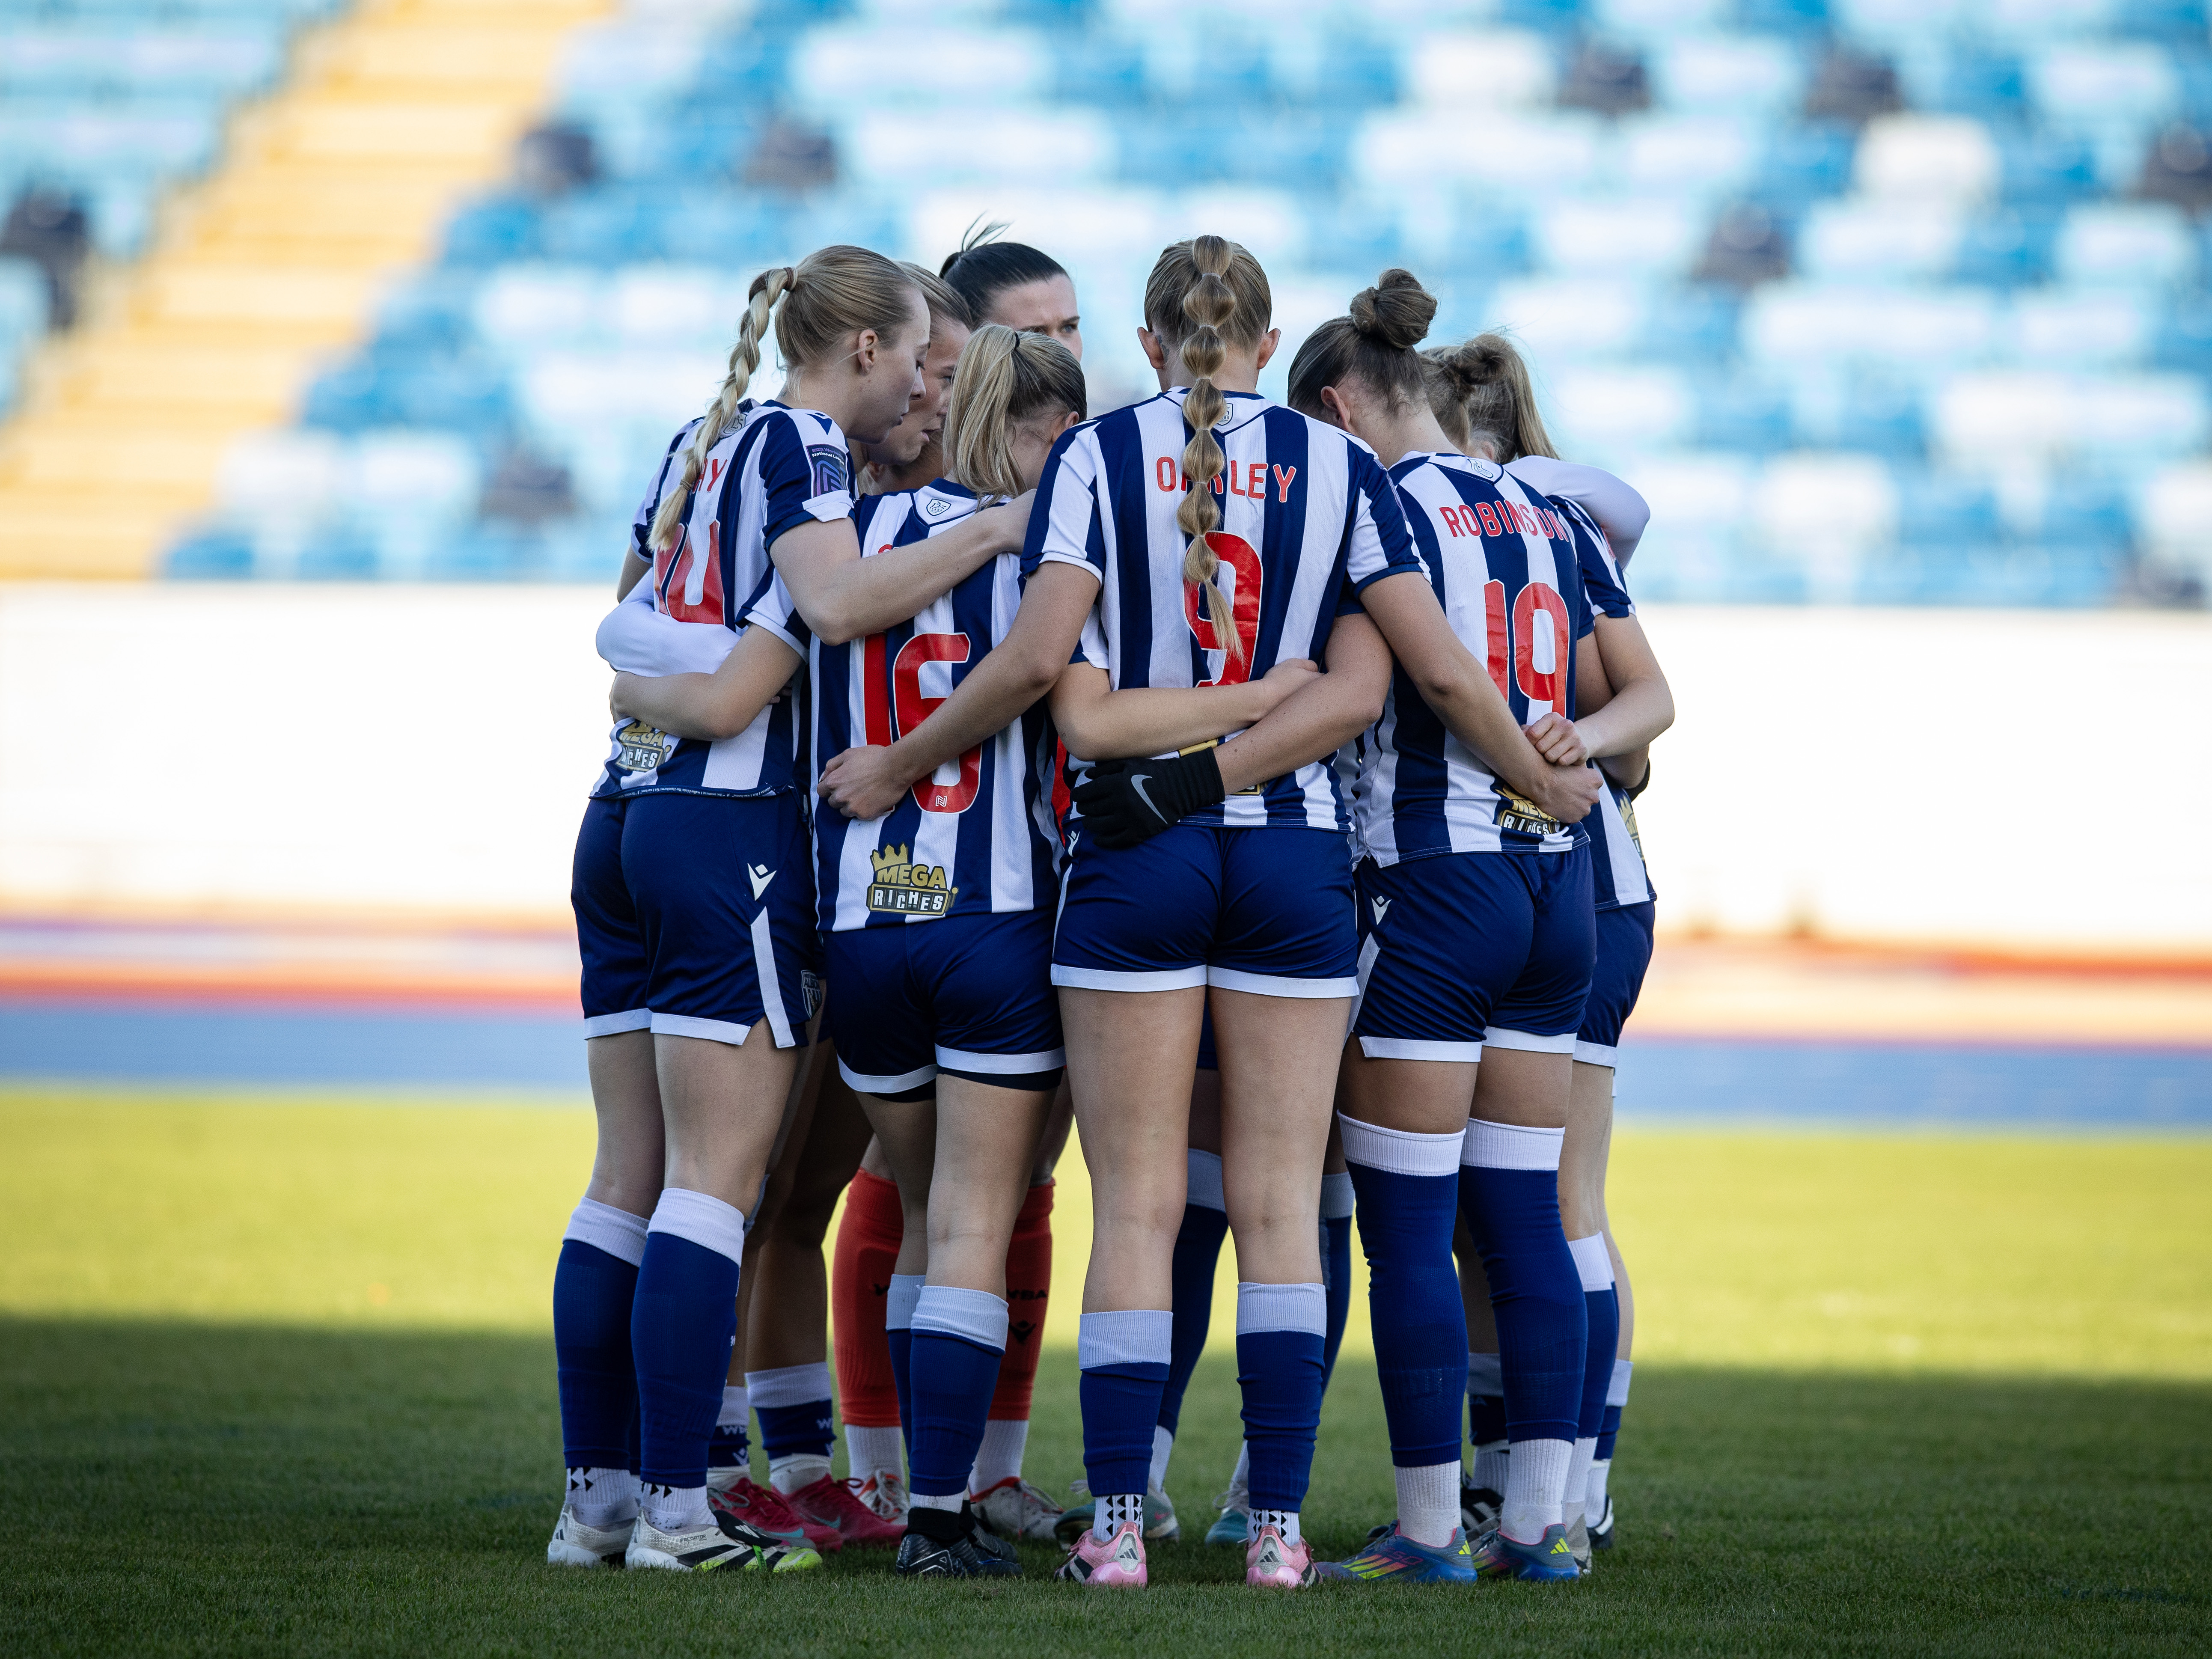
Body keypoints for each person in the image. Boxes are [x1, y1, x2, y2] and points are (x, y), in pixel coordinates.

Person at [816, 234, 1542, 1591]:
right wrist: (1538, 770)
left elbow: (1073, 705)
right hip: (1293, 862)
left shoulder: (1092, 458)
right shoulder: (1343, 469)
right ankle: (1275, 1529)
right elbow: (1408, 680)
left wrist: (1178, 741)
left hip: (1131, 861)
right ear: (1269, 347)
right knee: (1279, 1208)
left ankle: (1112, 1527)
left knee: (1136, 1205)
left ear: (1147, 345)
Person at [547, 245, 1027, 1574]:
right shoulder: (803, 447)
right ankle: (678, 1511)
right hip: (727, 833)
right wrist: (995, 525)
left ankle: (592, 1503)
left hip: (626, 815)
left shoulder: (688, 445)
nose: (931, 386)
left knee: (625, 1182)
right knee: (719, 1185)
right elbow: (828, 604)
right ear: (863, 350)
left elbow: (631, 635)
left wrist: (655, 685)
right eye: (923, 357)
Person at [1277, 270, 1663, 1585]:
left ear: (1340, 406)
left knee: (1408, 1231)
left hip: (1438, 889)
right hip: (1558, 898)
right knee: (1528, 1219)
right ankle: (1545, 1527)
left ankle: (1434, 1528)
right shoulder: (1544, 507)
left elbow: (1434, 674)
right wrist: (1576, 760)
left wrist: (1530, 762)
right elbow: (1648, 695)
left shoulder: (1376, 502)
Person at [830, 231, 1089, 1543]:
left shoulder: (854, 537)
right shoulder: (1051, 540)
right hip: (994, 914)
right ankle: (944, 1506)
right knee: (977, 1215)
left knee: (919, 1202)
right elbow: (1059, 688)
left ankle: (895, 1485)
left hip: (865, 917)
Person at [1425, 332, 1669, 1564]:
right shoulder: (1543, 513)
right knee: (1495, 1208)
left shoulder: (1534, 512)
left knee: (1554, 1200)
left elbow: (1628, 727)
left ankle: (1573, 1482)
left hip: (1571, 882)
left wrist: (1575, 739)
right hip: (1547, 882)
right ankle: (1515, 1479)